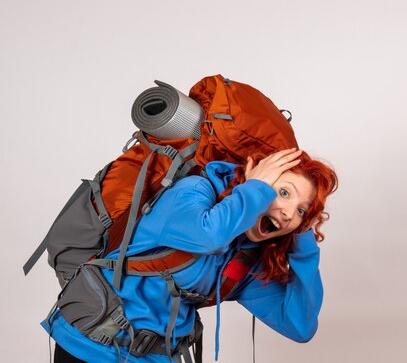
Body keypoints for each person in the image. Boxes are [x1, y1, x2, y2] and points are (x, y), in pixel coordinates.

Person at [43, 148, 338, 362]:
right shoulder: (193, 192)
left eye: (301, 211)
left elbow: (300, 326)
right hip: (91, 348)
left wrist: (304, 241)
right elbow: (207, 236)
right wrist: (255, 189)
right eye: (284, 192)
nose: (288, 213)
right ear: (255, 174)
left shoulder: (244, 261)